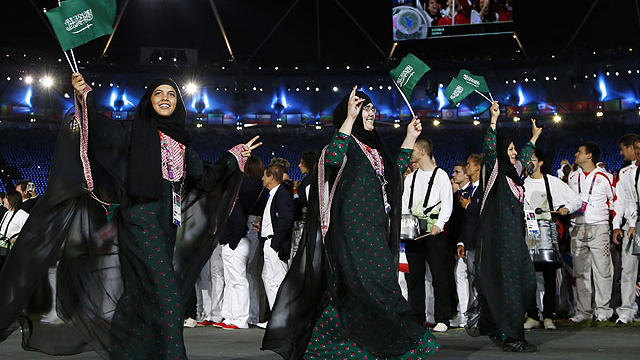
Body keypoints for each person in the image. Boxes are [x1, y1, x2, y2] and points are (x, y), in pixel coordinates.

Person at [0, 72, 261, 359]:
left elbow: (207, 178)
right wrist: (84, 95)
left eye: (172, 94)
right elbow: (98, 128)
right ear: (149, 100)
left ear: (179, 104)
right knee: (169, 299)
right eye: (158, 93)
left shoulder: (183, 148)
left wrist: (236, 155)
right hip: (139, 222)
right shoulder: (133, 135)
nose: (165, 98)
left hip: (165, 228)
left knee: (139, 299)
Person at [263, 87, 439, 359]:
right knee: (373, 286)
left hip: (375, 230)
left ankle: (334, 346)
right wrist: (349, 118)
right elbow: (332, 159)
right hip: (351, 231)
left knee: (360, 288)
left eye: (371, 108)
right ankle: (403, 342)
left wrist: (409, 137)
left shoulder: (374, 149)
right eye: (364, 108)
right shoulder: (345, 144)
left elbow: (394, 172)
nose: (370, 113)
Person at [472, 103, 541, 352]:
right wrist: (493, 121)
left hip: (516, 242)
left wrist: (533, 138)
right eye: (510, 149)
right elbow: (490, 150)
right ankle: (512, 337)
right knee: (511, 287)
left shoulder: (513, 175)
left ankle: (496, 326)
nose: (513, 153)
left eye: (514, 149)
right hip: (501, 243)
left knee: (526, 284)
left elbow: (523, 159)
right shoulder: (495, 173)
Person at [522, 148, 581, 330]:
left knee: (549, 277)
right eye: (527, 160)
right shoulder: (521, 183)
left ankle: (548, 315)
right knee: (528, 277)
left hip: (547, 232)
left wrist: (566, 208)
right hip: (527, 232)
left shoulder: (553, 182)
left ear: (540, 162)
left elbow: (576, 200)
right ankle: (532, 315)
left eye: (532, 159)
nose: (529, 163)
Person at [402, 138, 453, 332]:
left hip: (434, 234)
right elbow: (405, 204)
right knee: (414, 277)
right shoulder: (410, 178)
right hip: (414, 234)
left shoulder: (441, 176)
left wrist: (439, 225)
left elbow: (447, 204)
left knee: (439, 276)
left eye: (413, 149)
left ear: (423, 152)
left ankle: (442, 318)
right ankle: (416, 317)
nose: (410, 153)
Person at [567, 142, 615, 323]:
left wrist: (607, 221)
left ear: (589, 156)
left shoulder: (605, 176)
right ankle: (584, 311)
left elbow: (614, 202)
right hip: (577, 227)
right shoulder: (572, 177)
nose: (576, 154)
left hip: (599, 227)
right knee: (580, 272)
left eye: (579, 152)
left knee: (602, 270)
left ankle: (603, 310)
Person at [257, 164, 294, 328]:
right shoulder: (273, 195)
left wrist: (276, 244)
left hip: (274, 244)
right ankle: (276, 317)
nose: (262, 178)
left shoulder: (282, 195)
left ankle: (282, 319)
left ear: (272, 177)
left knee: (277, 281)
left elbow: (286, 220)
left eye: (265, 175)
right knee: (268, 278)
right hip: (269, 242)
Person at [611, 134, 639, 324]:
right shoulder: (624, 173)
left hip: (633, 224)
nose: (622, 153)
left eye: (623, 149)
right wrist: (616, 227)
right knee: (628, 269)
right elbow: (620, 202)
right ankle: (627, 311)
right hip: (631, 227)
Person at [449, 160, 472, 328]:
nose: (454, 175)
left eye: (457, 172)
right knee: (461, 276)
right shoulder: (457, 193)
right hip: (457, 241)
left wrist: (462, 241)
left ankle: (466, 313)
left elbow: (466, 221)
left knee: (465, 276)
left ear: (466, 174)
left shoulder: (471, 192)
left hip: (468, 241)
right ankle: (463, 311)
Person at [0, 191, 29, 271]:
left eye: (6, 198)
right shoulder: (7, 213)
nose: (3, 200)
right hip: (2, 249)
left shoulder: (23, 215)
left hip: (12, 252)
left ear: (11, 200)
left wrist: (17, 239)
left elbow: (30, 232)